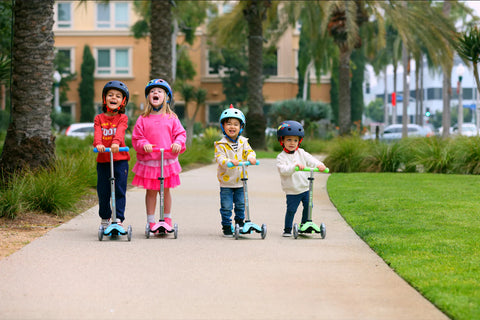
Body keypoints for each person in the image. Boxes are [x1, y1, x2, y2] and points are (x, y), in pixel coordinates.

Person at [132, 79, 186, 229]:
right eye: (152, 91)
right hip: (150, 161)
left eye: (160, 91)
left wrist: (177, 143)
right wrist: (144, 144)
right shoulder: (143, 118)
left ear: (166, 97)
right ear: (148, 97)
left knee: (165, 190)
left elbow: (181, 134)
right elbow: (137, 137)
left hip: (166, 160)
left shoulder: (172, 118)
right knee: (151, 191)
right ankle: (151, 221)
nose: (155, 93)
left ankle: (167, 219)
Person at [276, 120, 326, 237]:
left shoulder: (301, 153)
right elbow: (283, 170)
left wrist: (320, 165)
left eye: (295, 140)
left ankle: (305, 224)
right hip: (292, 190)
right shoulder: (281, 157)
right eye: (289, 140)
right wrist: (295, 167)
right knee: (291, 210)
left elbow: (311, 160)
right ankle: (287, 229)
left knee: (309, 206)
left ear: (299, 141)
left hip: (305, 188)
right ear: (282, 140)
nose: (292, 143)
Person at [214, 105, 256, 237]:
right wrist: (228, 162)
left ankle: (240, 224)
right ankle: (226, 226)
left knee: (241, 204)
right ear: (223, 126)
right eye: (229, 124)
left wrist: (251, 157)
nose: (232, 127)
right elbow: (219, 158)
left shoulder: (244, 142)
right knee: (226, 206)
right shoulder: (220, 144)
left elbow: (249, 151)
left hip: (241, 181)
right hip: (226, 182)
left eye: (236, 124)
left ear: (241, 127)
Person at [93, 80, 131, 228]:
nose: (113, 98)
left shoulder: (122, 118)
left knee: (119, 189)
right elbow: (97, 134)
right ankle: (105, 217)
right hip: (103, 160)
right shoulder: (99, 118)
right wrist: (99, 144)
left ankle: (118, 219)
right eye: (110, 95)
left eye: (117, 96)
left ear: (123, 101)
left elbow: (121, 130)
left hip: (120, 160)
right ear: (104, 98)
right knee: (103, 191)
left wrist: (116, 143)